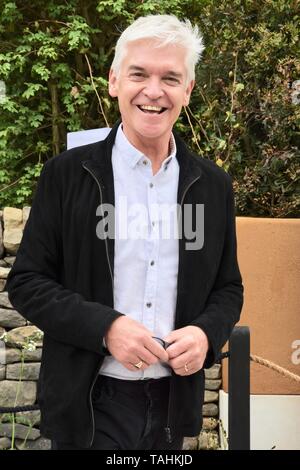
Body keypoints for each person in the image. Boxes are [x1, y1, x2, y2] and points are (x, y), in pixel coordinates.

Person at [6, 14, 243, 450]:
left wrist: (206, 333)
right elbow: (27, 283)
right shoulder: (67, 175)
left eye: (170, 77)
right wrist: (106, 327)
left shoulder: (213, 186)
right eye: (139, 74)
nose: (154, 91)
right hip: (89, 401)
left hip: (173, 402)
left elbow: (228, 288)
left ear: (187, 91)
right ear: (115, 80)